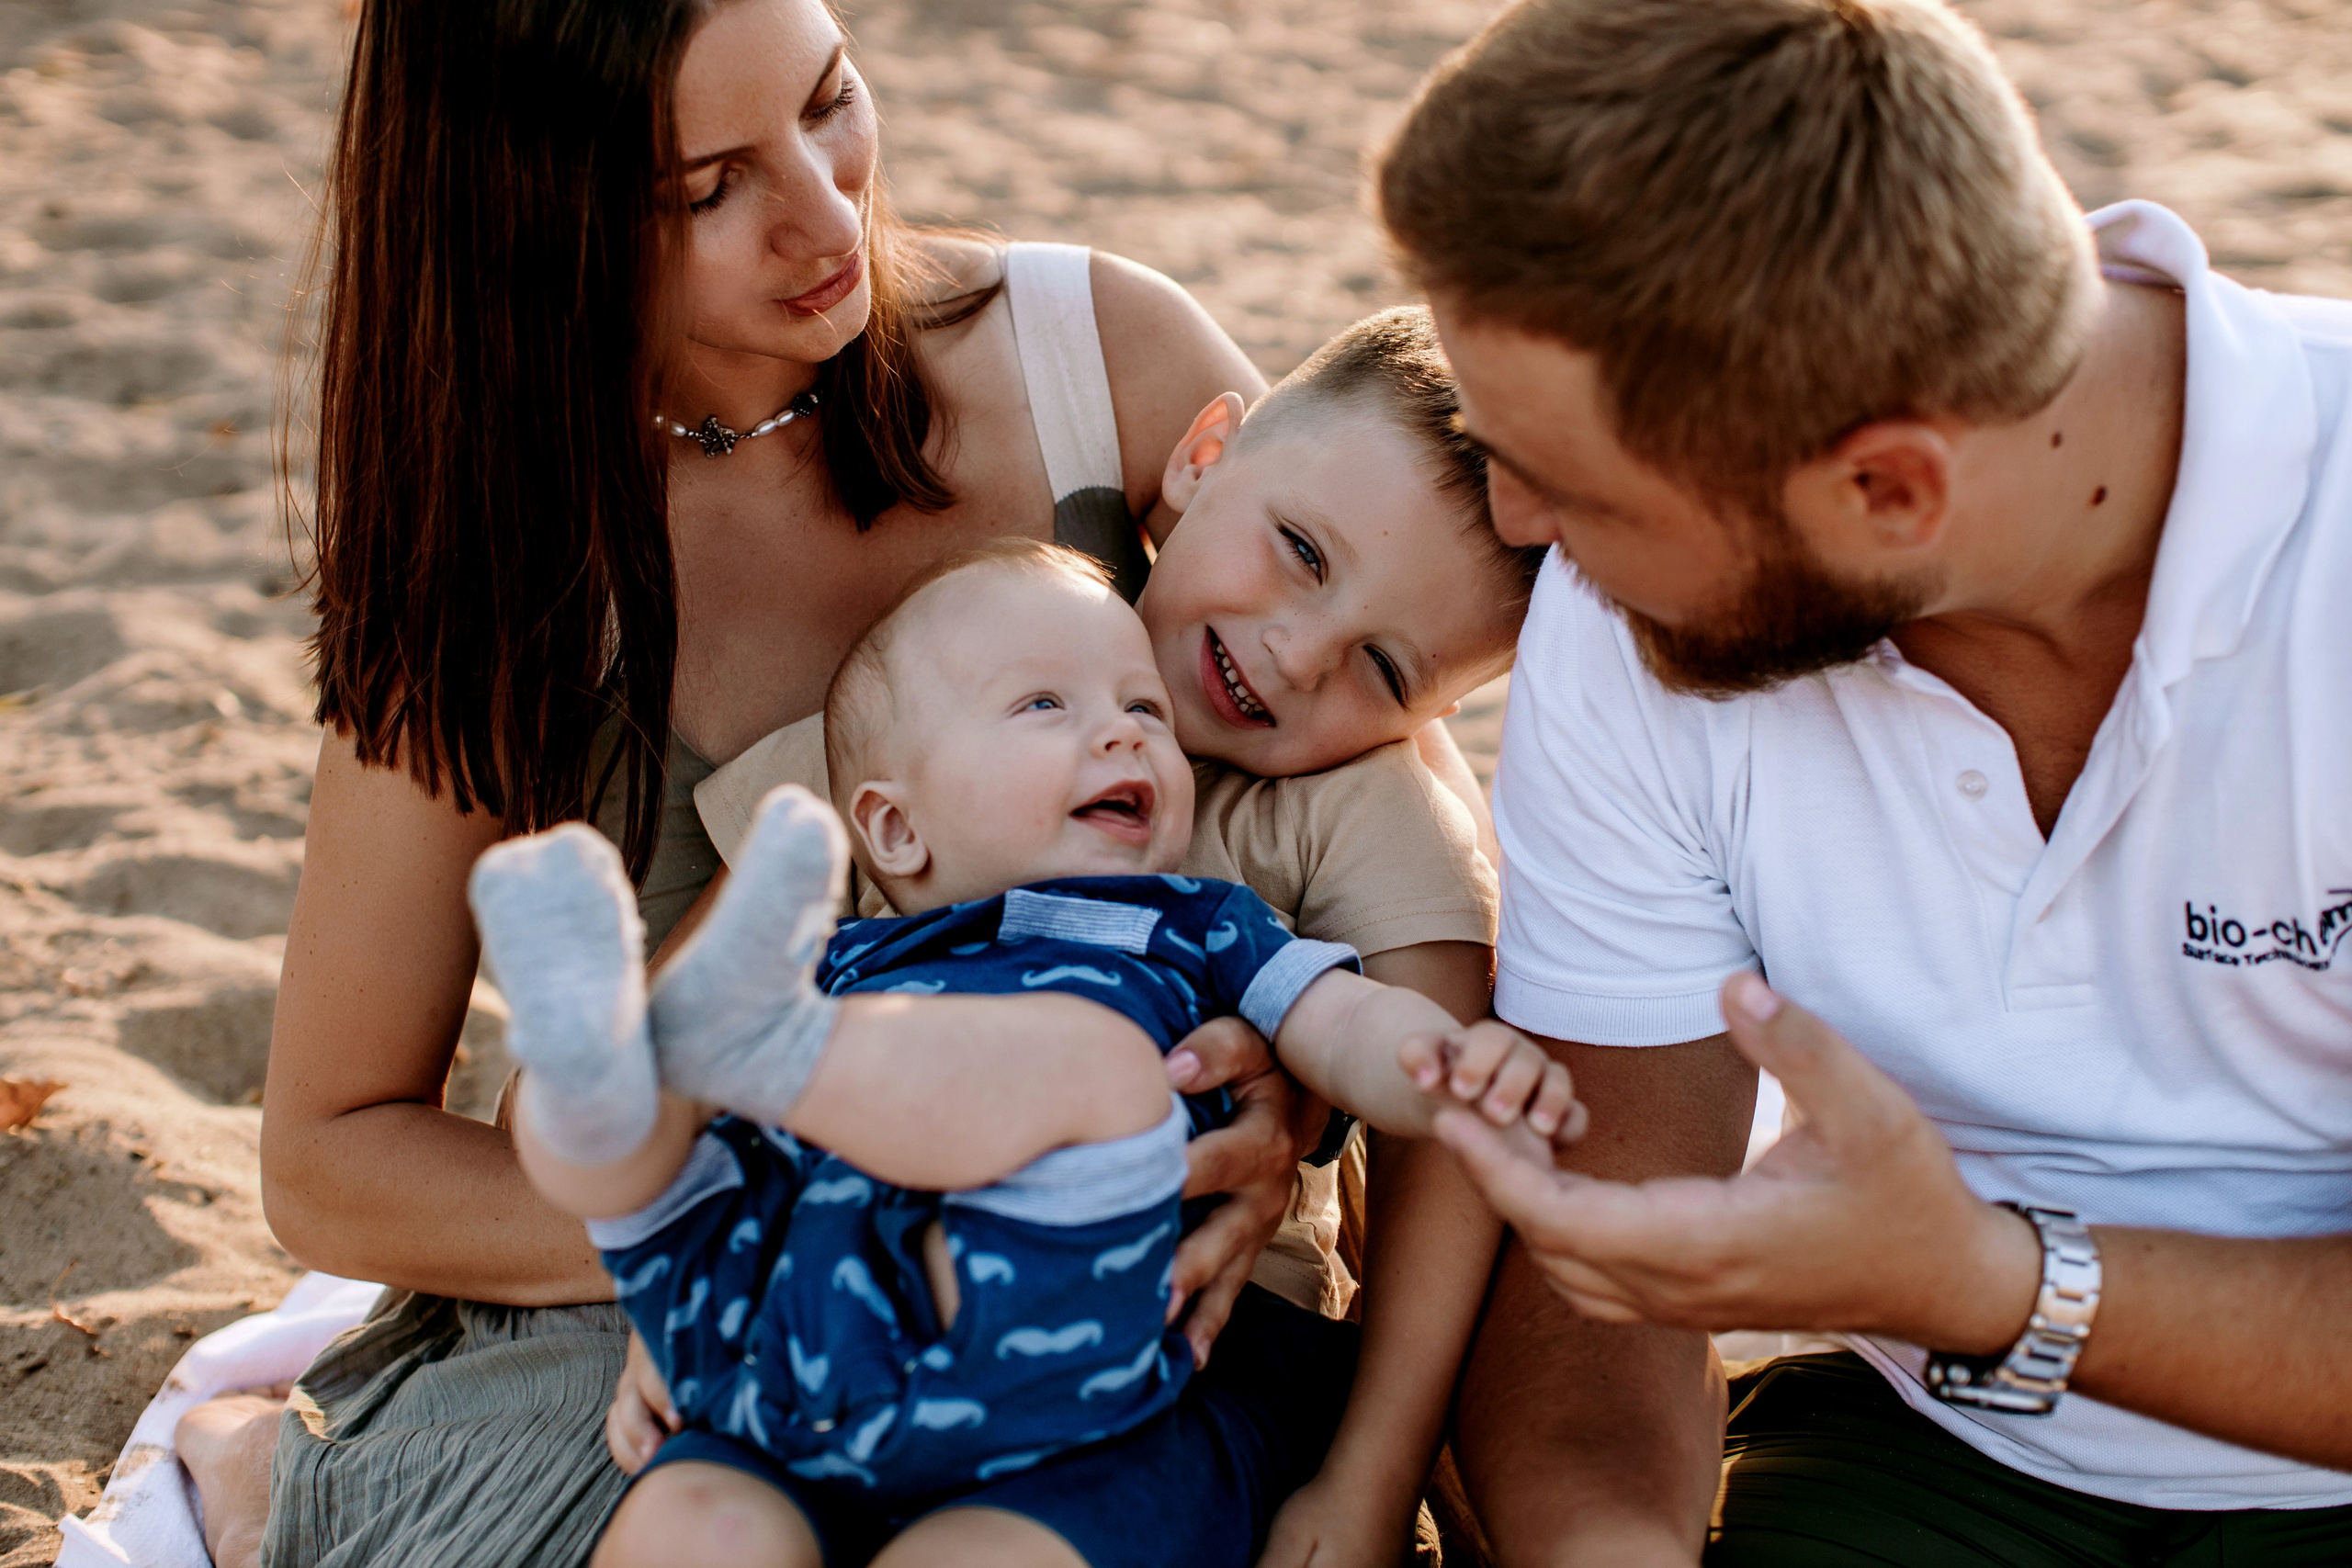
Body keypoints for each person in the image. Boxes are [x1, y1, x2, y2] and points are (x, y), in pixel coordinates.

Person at [171, 0, 1491, 1563]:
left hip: (1123, 1298)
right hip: (690, 1271)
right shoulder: (494, 555)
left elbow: (1388, 791)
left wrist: (1280, 1086)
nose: (823, 214)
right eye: (705, 187)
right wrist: (757, 1222)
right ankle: (285, 1472)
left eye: (831, 99)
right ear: (534, 212)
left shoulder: (1107, 362)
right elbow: (331, 1152)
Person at [1372, 0, 2352, 1563]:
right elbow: (1604, 1265)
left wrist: (1980, 1277)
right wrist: (1605, 1545)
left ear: (1891, 487)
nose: (1515, 524)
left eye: (1572, 486)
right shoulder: (1628, 618)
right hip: (1930, 1441)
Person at [629, 310, 1553, 1565]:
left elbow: (1431, 1155)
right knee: (691, 1526)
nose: (1294, 652)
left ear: (1431, 716)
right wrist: (696, 1271)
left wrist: (1372, 1476)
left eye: (1384, 671)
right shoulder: (955, 672)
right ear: (1204, 454)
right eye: (1299, 550)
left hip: (1178, 1343)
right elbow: (678, 1050)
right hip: (854, 1295)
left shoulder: (1355, 812)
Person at [469, 542, 1582, 1567]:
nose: (1125, 730)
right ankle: (606, 1110)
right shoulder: (846, 956)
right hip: (817, 1357)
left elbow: (1342, 1026)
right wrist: (684, 1325)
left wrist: (1442, 1061)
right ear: (895, 831)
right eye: (1044, 705)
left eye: (1142, 705)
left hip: (1092, 1386)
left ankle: (670, 1092)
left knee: (1095, 1070)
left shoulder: (1195, 923)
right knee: (692, 1526)